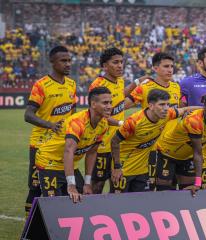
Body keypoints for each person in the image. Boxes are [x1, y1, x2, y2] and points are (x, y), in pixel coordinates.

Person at [110, 89, 199, 193]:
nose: (166, 108)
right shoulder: (134, 122)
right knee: (120, 204)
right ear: (151, 106)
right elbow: (114, 141)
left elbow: (185, 110)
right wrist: (117, 167)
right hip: (124, 169)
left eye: (167, 104)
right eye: (161, 104)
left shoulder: (167, 114)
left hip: (142, 170)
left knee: (142, 204)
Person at [23, 46, 76, 216]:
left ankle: (59, 220)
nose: (68, 64)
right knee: (36, 186)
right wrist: (50, 125)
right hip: (41, 144)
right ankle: (28, 225)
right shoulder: (42, 85)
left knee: (63, 183)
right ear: (52, 62)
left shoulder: (71, 84)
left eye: (69, 60)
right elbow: (28, 115)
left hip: (62, 144)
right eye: (63, 61)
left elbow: (72, 113)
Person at [35, 87, 111, 203]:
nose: (110, 106)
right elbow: (68, 151)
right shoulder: (77, 122)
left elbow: (92, 152)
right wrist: (71, 185)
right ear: (93, 104)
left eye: (110, 102)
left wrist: (87, 183)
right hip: (50, 163)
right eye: (105, 103)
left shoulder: (104, 124)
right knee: (54, 205)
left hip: (70, 165)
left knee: (80, 200)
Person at [124, 52, 181, 191]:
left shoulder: (176, 87)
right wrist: (136, 82)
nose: (170, 70)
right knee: (149, 190)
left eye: (172, 66)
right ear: (155, 68)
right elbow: (122, 106)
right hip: (152, 148)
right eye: (166, 66)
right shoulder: (145, 87)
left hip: (171, 146)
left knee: (169, 189)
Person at [155, 93, 206, 196]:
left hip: (187, 156)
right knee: (165, 192)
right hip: (167, 153)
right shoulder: (194, 120)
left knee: (188, 190)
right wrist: (198, 183)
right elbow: (198, 152)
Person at [88, 47, 131, 194]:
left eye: (121, 62)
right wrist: (121, 124)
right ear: (105, 66)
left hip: (118, 144)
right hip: (100, 145)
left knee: (117, 185)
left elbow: (119, 100)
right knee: (97, 186)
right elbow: (98, 115)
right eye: (115, 62)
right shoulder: (98, 85)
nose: (120, 65)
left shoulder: (120, 82)